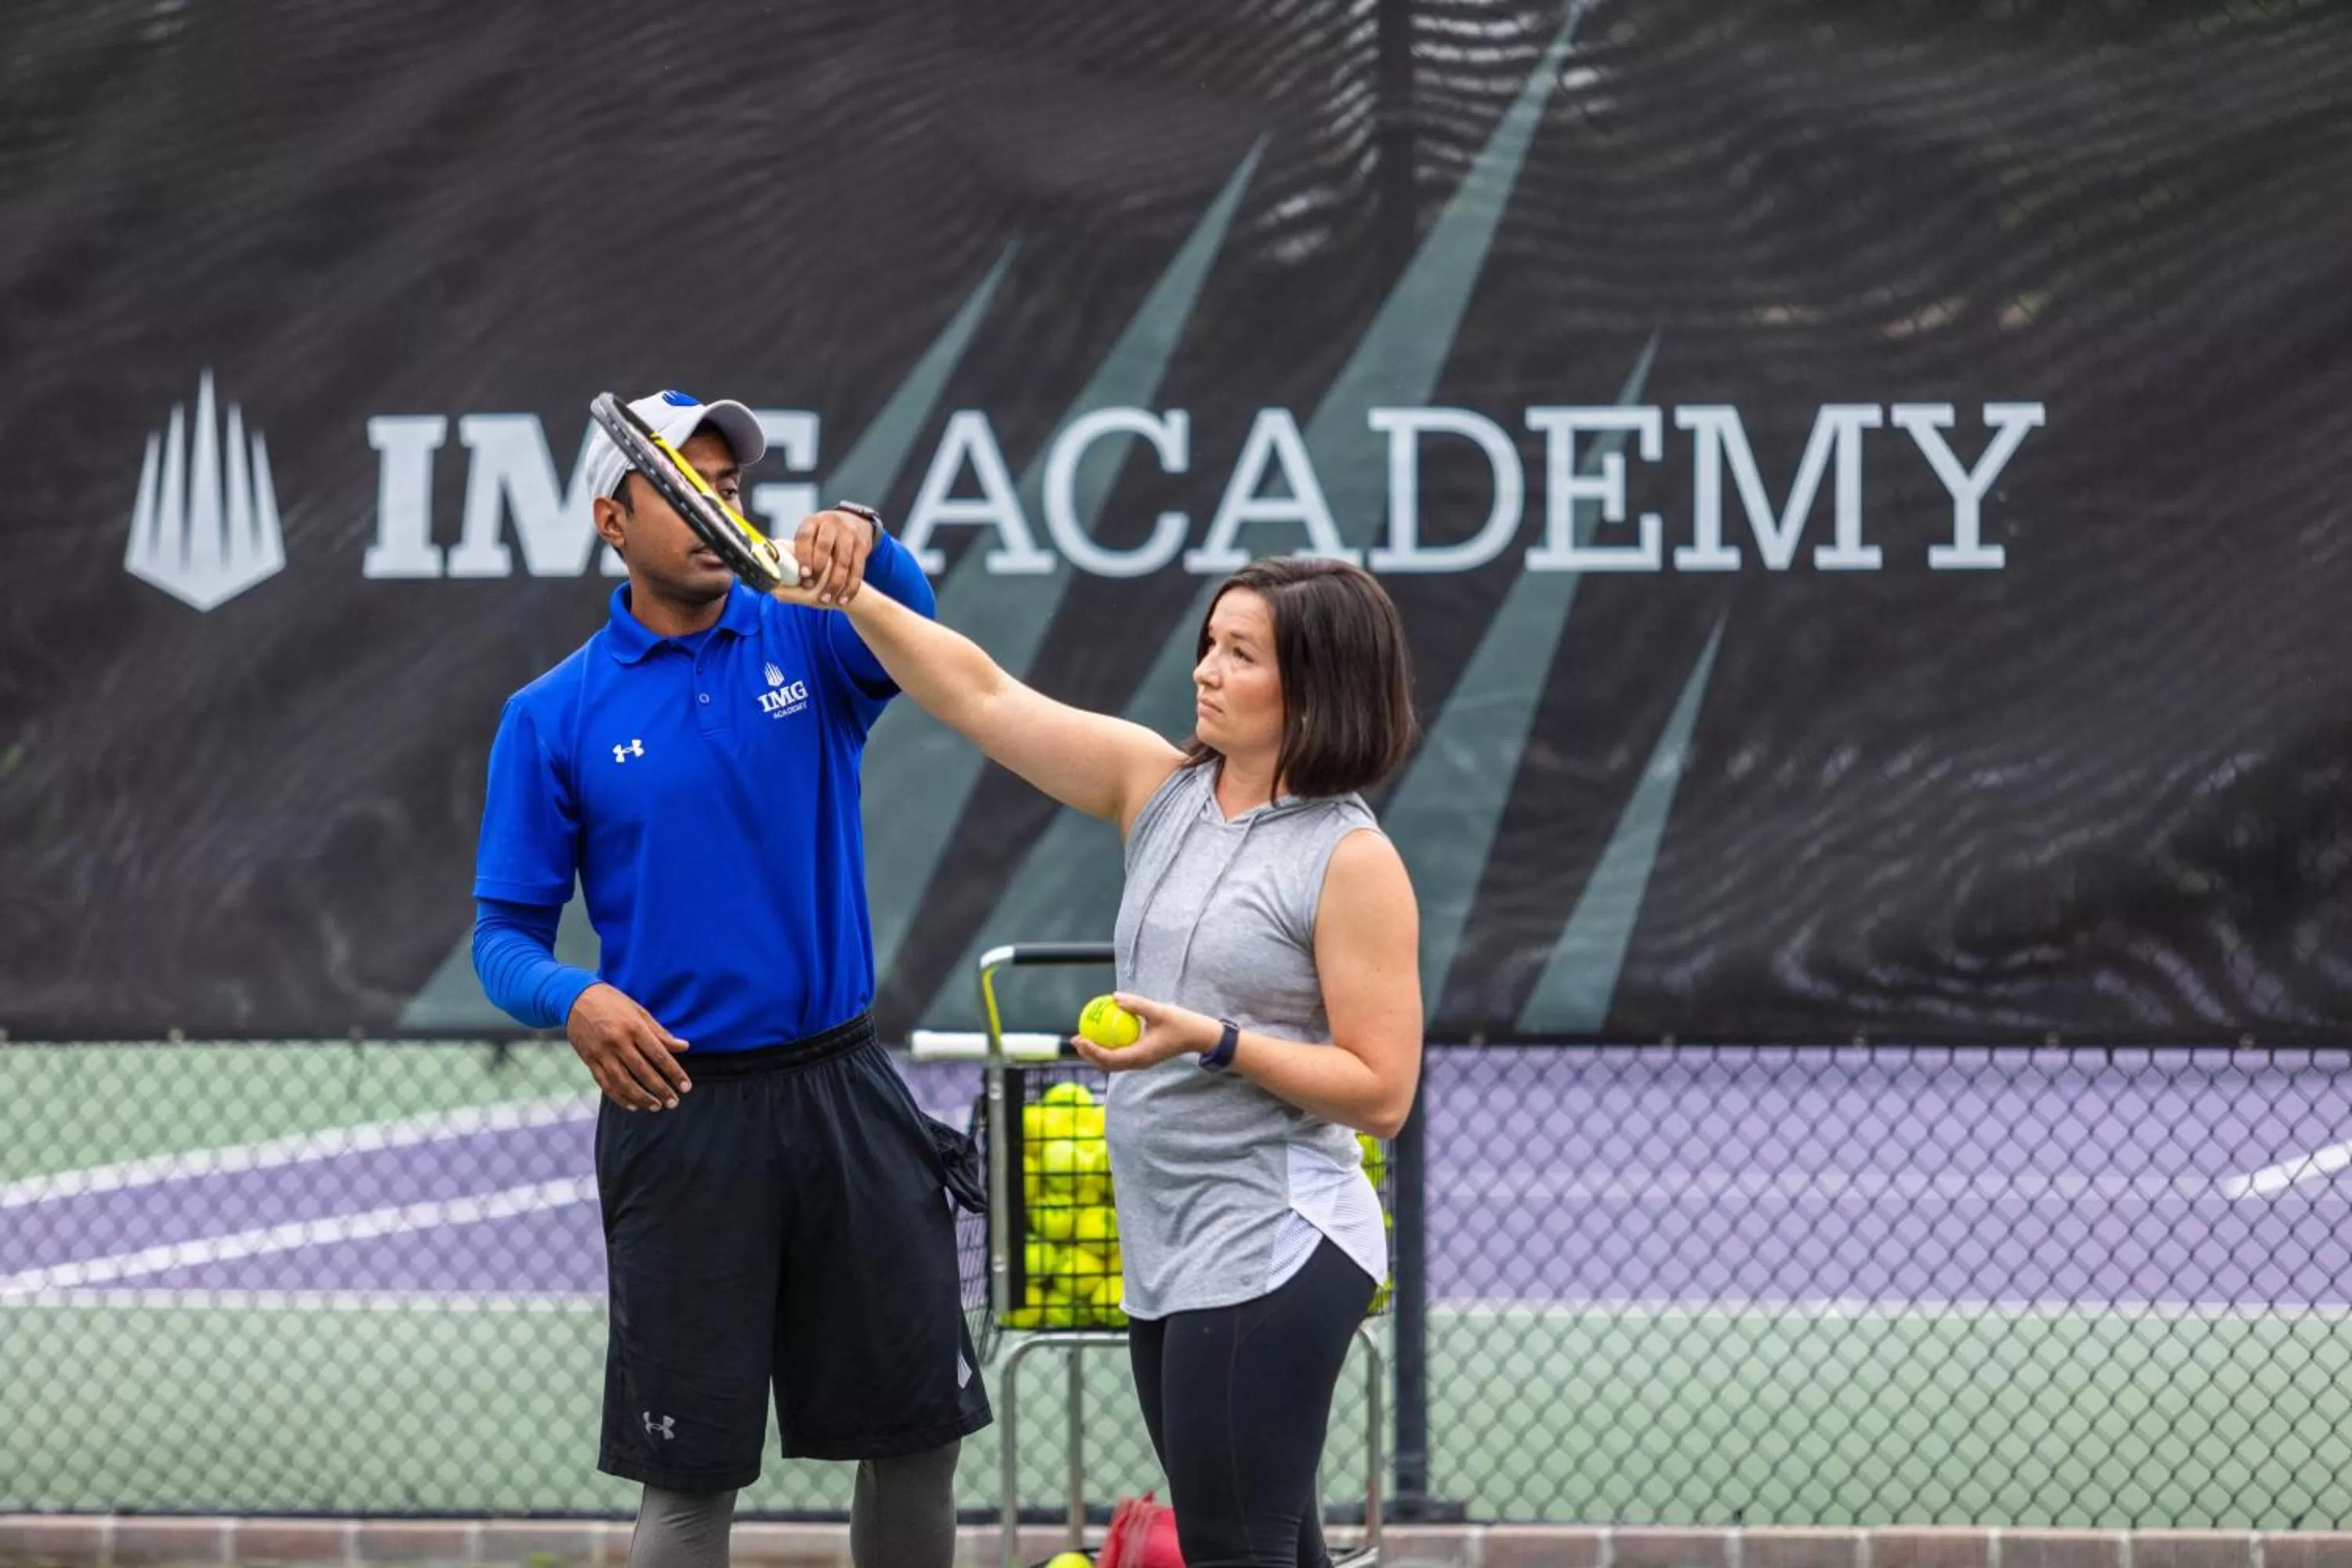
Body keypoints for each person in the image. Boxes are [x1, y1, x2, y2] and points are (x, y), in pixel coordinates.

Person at [779, 554, 1424, 1568]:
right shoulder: (1155, 786)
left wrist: (1211, 1040)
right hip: (1168, 1247)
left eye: (1241, 654)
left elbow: (1382, 1093)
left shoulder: (1350, 858)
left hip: (1276, 1240)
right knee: (1271, 1547)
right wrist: (851, 597)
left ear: (1315, 686)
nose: (1205, 669)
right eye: (1210, 643)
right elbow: (981, 695)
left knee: (1233, 1548)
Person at [468, 390, 989, 1568]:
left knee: (917, 1440)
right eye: (684, 489)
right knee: (691, 1478)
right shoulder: (551, 716)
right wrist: (575, 998)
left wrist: (867, 536)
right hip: (680, 1118)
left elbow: (917, 623)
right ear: (612, 520)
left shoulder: (808, 635)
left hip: (848, 1094)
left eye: (731, 488)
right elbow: (503, 939)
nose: (719, 511)